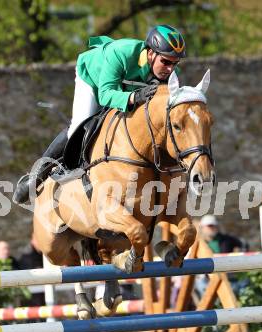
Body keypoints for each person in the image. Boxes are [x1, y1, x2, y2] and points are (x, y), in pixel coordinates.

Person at [13, 24, 186, 204]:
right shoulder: (121, 53)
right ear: (151, 53)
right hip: (93, 80)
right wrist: (135, 96)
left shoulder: (168, 72)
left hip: (123, 87)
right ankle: (36, 177)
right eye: (166, 62)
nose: (170, 69)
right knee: (80, 122)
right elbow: (105, 95)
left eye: (175, 63)